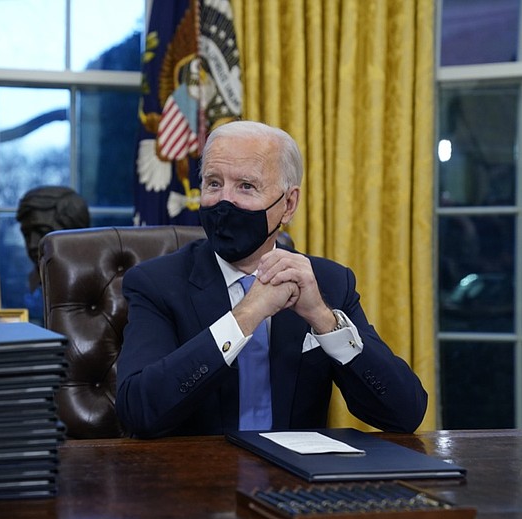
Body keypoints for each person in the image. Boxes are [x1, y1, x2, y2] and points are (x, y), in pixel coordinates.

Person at [115, 121, 427, 438]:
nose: (225, 201)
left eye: (246, 186)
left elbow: (405, 414)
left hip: (295, 480)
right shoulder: (157, 284)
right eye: (213, 183)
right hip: (198, 478)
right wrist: (245, 317)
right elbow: (138, 412)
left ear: (288, 204)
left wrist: (323, 319)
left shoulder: (329, 283)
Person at [16, 186, 90, 320]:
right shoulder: (21, 288)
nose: (33, 244)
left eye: (41, 232)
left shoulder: (98, 287)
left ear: (74, 232)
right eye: (27, 234)